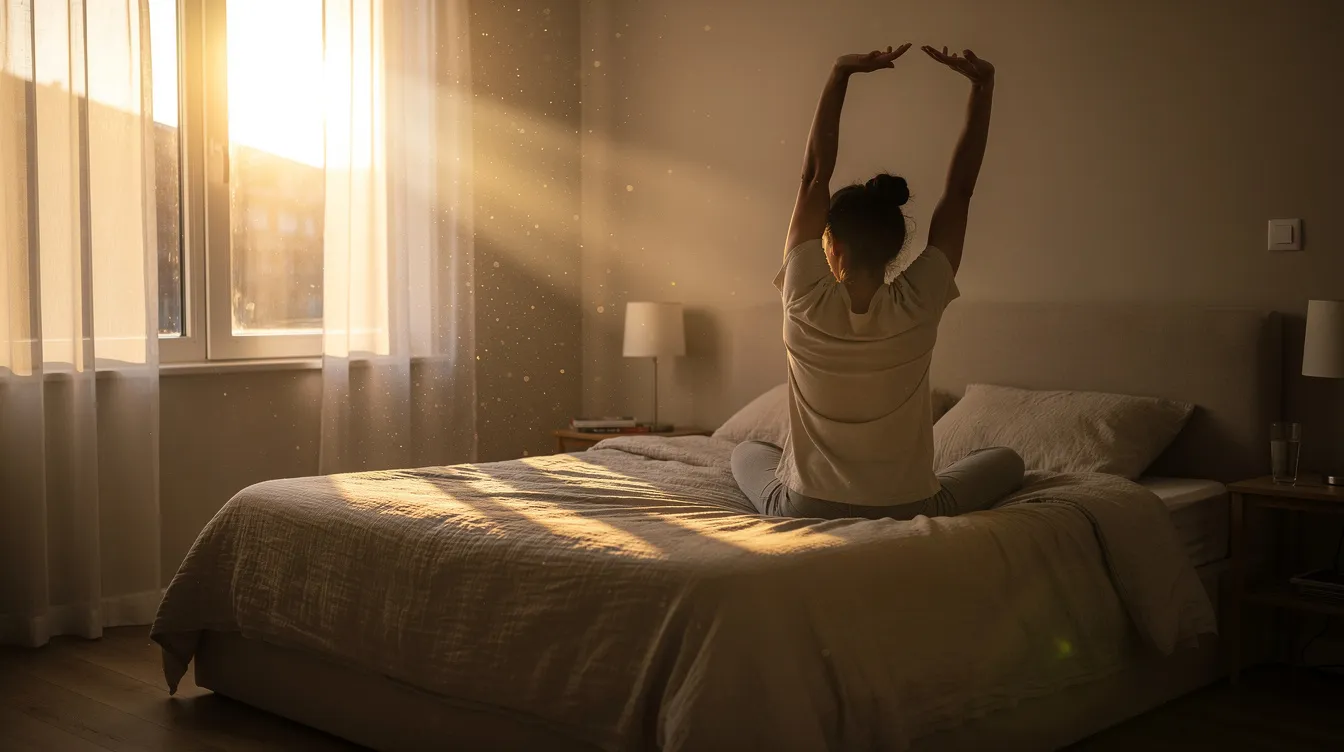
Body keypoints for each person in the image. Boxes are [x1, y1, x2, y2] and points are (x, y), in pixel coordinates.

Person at [731, 44, 1024, 521]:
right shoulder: (920, 300)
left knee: (746, 451)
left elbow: (813, 177)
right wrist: (982, 87)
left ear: (835, 247)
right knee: (1008, 460)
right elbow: (960, 193)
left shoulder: (803, 296)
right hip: (908, 505)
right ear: (893, 246)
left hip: (807, 505)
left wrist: (840, 73)